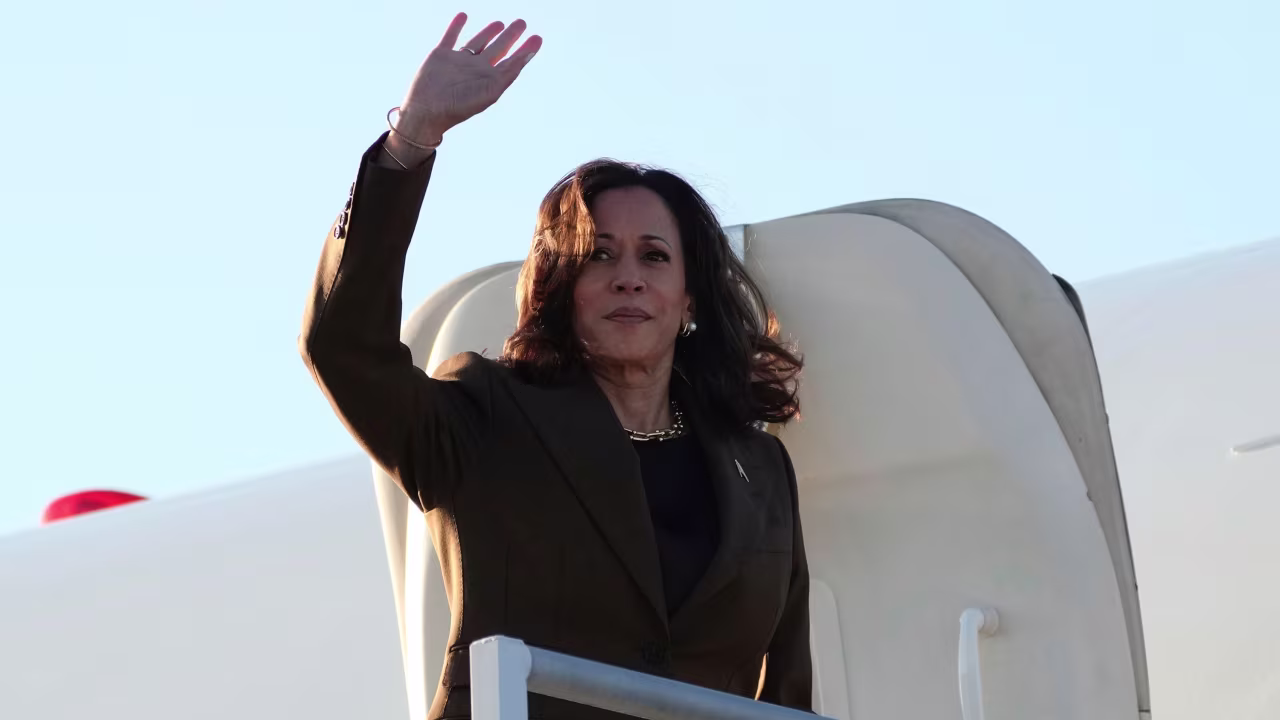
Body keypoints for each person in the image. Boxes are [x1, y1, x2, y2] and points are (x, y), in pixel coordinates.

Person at [299, 12, 811, 720]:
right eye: (598, 255)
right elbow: (343, 348)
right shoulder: (482, 417)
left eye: (654, 256)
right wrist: (411, 140)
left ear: (688, 296)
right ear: (559, 287)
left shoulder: (759, 470)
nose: (629, 277)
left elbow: (787, 699)